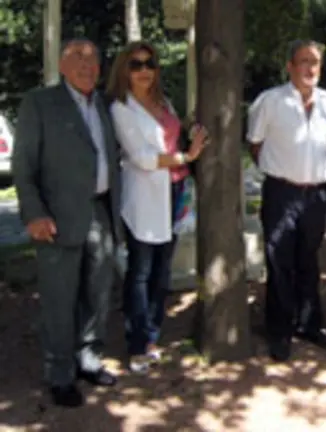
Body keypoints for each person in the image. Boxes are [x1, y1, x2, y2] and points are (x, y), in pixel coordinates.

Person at [12, 38, 123, 407]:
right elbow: (23, 165)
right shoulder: (40, 103)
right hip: (56, 218)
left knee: (98, 291)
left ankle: (88, 357)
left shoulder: (104, 104)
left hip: (100, 211)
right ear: (62, 66)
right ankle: (60, 374)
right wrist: (34, 213)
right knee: (59, 299)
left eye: (93, 59)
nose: (87, 66)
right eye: (78, 58)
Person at [108, 41, 208, 374]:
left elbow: (172, 137)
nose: (144, 71)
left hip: (175, 190)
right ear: (124, 70)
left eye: (149, 63)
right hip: (144, 196)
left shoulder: (163, 102)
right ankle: (137, 343)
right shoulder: (121, 108)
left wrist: (190, 135)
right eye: (136, 65)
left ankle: (152, 334)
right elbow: (142, 157)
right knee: (140, 272)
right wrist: (187, 156)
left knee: (162, 270)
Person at [247, 40, 326, 362]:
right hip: (281, 192)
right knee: (279, 262)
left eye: (315, 62)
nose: (309, 68)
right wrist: (281, 172)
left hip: (317, 194)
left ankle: (309, 324)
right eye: (303, 61)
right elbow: (255, 144)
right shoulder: (270, 101)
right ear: (289, 66)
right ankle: (279, 331)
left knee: (309, 260)